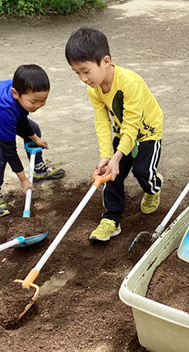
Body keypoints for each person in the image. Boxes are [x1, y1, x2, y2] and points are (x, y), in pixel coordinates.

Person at [65, 27, 164, 242]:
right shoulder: (94, 88)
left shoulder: (130, 82)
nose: (83, 78)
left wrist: (117, 157)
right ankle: (111, 219)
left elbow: (132, 123)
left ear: (106, 61)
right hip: (122, 131)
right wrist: (107, 156)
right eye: (77, 73)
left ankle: (153, 186)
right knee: (112, 174)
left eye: (86, 70)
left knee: (142, 171)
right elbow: (102, 122)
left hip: (147, 132)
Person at [0, 64, 65, 218]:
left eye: (43, 101)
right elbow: (9, 148)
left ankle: (39, 169)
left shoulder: (21, 93)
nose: (38, 106)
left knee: (34, 130)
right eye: (34, 102)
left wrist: (35, 138)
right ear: (16, 93)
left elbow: (21, 118)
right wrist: (23, 180)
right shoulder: (4, 106)